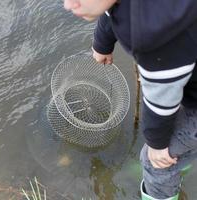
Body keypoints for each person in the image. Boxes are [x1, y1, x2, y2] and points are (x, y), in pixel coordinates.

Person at [63, 0, 197, 199]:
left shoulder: (150, 34)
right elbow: (116, 7)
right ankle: (179, 165)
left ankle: (166, 180)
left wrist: (157, 145)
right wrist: (102, 42)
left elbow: (161, 101)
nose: (68, 5)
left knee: (155, 161)